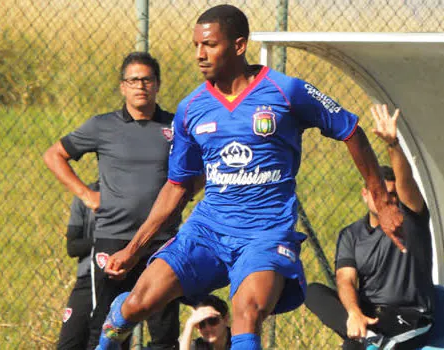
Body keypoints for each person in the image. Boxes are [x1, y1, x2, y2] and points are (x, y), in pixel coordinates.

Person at [96, 5, 404, 350]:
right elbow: (178, 184)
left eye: (210, 45)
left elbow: (351, 130)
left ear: (239, 45)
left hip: (265, 234)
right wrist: (134, 248)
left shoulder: (286, 91)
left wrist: (383, 199)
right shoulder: (191, 108)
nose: (200, 54)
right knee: (138, 303)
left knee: (247, 313)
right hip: (208, 230)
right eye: (196, 45)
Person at [44, 52, 184, 349]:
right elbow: (54, 155)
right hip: (112, 239)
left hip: (161, 241)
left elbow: (197, 170)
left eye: (147, 79)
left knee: (164, 329)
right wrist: (86, 195)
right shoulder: (102, 126)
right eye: (133, 80)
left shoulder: (177, 128)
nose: (140, 86)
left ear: (157, 85)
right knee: (105, 327)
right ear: (122, 86)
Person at [305, 105, 435, 349]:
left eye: (394, 195)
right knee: (312, 291)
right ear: (366, 194)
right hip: (369, 314)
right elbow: (345, 280)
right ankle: (368, 336)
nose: (389, 200)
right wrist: (354, 313)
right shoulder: (352, 234)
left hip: (409, 315)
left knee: (356, 346)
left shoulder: (409, 220)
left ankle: (370, 340)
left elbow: (406, 182)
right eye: (381, 193)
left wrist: (393, 145)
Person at [57, 182, 99, 349]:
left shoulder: (131, 193)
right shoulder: (87, 193)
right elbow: (73, 246)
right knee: (69, 342)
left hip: (118, 278)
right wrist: (106, 240)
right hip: (87, 278)